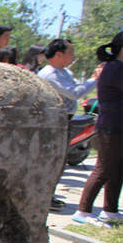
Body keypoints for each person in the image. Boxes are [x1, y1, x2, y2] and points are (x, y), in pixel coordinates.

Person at [38, 38, 101, 211]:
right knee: (50, 160)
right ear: (58, 55)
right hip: (51, 122)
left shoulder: (63, 72)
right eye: (70, 52)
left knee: (58, 160)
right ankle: (43, 196)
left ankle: (48, 195)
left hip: (63, 120)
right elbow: (74, 93)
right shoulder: (50, 74)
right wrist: (95, 78)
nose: (73, 56)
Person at [73, 31, 123, 226]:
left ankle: (110, 210)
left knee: (117, 169)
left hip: (118, 126)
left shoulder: (116, 67)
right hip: (111, 126)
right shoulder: (116, 69)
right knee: (103, 168)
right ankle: (83, 211)